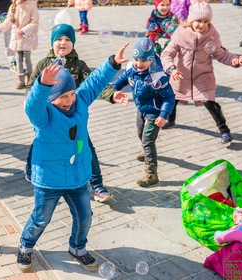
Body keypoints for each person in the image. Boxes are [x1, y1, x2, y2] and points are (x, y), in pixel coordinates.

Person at [17, 43, 128, 272]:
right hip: (49, 179)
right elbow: (31, 106)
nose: (68, 100)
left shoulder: (80, 102)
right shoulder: (44, 116)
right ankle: (26, 247)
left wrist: (112, 63)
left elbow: (94, 82)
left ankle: (77, 248)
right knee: (41, 219)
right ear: (50, 98)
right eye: (62, 97)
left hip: (77, 176)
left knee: (85, 216)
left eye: (71, 94)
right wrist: (43, 85)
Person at [24, 23, 129, 203]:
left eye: (67, 39)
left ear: (73, 43)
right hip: (50, 120)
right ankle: (31, 168)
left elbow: (93, 84)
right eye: (58, 39)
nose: (63, 43)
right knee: (40, 145)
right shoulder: (44, 64)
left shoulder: (78, 65)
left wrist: (112, 94)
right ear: (52, 43)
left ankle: (97, 185)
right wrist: (38, 97)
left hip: (74, 121)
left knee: (87, 150)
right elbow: (30, 88)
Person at [161, 1, 239, 143]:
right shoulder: (180, 34)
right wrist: (171, 69)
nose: (202, 25)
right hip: (181, 76)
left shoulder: (212, 35)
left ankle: (224, 131)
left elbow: (221, 54)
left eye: (205, 21)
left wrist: (234, 60)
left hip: (203, 76)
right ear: (190, 20)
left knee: (209, 103)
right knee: (173, 99)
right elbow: (167, 54)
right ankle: (170, 119)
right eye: (198, 21)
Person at [111, 38, 175, 187]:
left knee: (147, 140)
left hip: (155, 113)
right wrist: (112, 90)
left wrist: (163, 115)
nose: (138, 64)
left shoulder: (157, 76)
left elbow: (169, 97)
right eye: (136, 59)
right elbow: (122, 79)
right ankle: (147, 151)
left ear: (151, 60)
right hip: (141, 108)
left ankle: (151, 173)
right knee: (140, 133)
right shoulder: (132, 69)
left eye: (143, 60)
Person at [0, 0, 39, 89]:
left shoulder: (31, 5)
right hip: (16, 39)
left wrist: (24, 30)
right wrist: (2, 27)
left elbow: (35, 22)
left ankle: (30, 78)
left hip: (27, 38)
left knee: (27, 59)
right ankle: (20, 79)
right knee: (18, 59)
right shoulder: (14, 5)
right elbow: (8, 20)